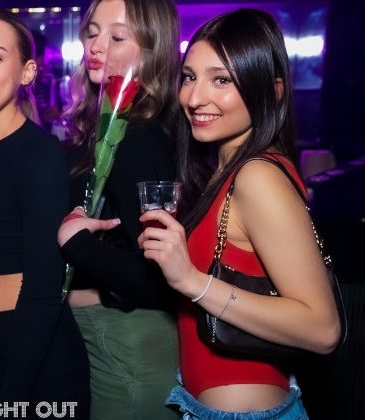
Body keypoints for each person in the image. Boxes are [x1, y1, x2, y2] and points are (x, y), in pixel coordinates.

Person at [137, 9, 341, 419]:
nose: (195, 98)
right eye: (190, 77)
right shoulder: (226, 171)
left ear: (274, 90)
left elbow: (323, 329)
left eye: (221, 80)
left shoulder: (257, 177)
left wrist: (191, 280)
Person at [0, 8, 90, 417]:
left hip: (33, 355)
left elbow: (44, 290)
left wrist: (6, 402)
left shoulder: (39, 154)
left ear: (27, 72)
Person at [56, 0, 181, 418]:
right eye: (92, 32)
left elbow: (160, 279)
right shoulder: (108, 127)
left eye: (117, 36)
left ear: (152, 51)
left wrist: (77, 245)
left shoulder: (138, 138)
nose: (97, 45)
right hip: (106, 345)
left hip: (130, 351)